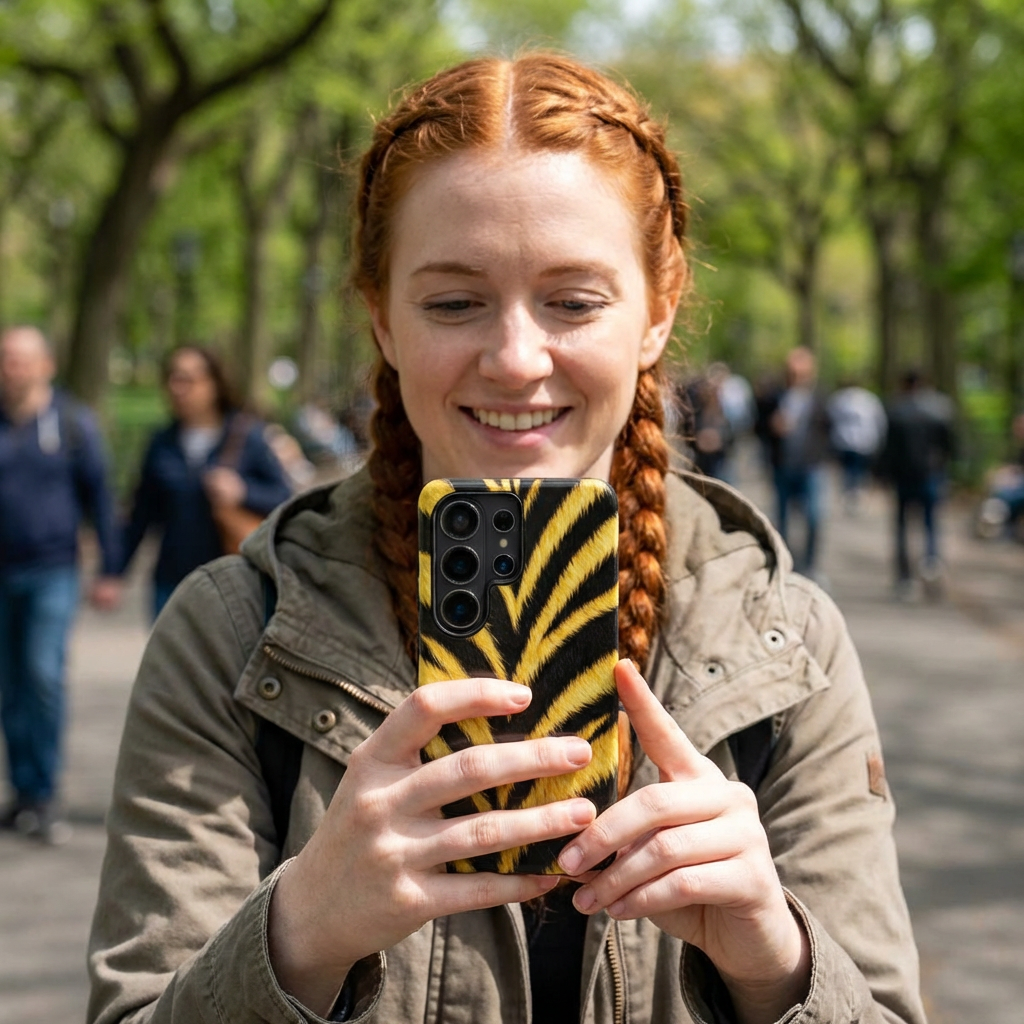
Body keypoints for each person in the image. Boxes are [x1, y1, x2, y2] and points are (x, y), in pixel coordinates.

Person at [88, 55, 926, 1024]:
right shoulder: (232, 635)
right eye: (453, 302)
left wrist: (778, 965)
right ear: (380, 315)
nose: (517, 357)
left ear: (658, 306)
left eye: (572, 301)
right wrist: (300, 934)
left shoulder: (790, 642)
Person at [0, 326, 120, 843]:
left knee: (42, 674)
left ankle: (45, 792)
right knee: (9, 684)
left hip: (53, 570)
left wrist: (111, 569)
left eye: (22, 361)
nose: (12, 370)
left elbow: (101, 497)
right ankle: (23, 791)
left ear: (45, 365)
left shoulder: (72, 424)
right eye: (5, 361)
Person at [116, 345, 292, 618]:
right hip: (172, 582)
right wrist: (114, 572)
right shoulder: (161, 443)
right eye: (171, 378)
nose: (177, 388)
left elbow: (284, 497)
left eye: (187, 379)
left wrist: (243, 491)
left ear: (214, 384)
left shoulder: (247, 436)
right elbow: (142, 514)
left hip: (234, 583)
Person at [881, 369, 955, 599]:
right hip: (931, 475)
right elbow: (950, 445)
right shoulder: (940, 409)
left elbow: (888, 449)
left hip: (904, 478)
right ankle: (931, 562)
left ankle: (905, 578)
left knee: (903, 527)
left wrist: (884, 474)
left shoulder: (895, 411)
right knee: (930, 523)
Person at [757, 347, 831, 576]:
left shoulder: (820, 398)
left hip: (811, 467)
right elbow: (756, 427)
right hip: (782, 466)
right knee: (782, 520)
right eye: (792, 372)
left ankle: (810, 566)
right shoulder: (773, 398)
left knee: (814, 517)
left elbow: (828, 429)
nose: (796, 377)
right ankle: (784, 566)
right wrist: (772, 426)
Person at [827, 378, 887, 513]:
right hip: (858, 443)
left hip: (852, 442)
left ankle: (852, 491)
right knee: (853, 469)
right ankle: (852, 492)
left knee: (853, 469)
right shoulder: (869, 399)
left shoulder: (841, 398)